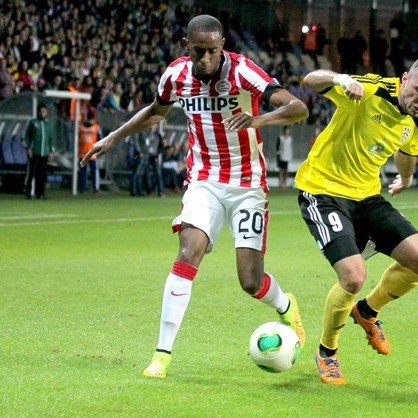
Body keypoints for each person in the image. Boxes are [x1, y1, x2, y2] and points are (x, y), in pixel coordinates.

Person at [80, 14, 308, 379]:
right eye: (199, 51)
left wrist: (256, 120)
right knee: (188, 252)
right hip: (203, 181)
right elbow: (155, 112)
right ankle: (161, 356)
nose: (206, 59)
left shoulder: (242, 71)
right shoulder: (176, 75)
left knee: (250, 281)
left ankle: (285, 304)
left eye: (213, 52)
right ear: (186, 47)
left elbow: (298, 108)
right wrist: (113, 137)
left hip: (248, 185)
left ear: (222, 48)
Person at [296, 54, 418, 384]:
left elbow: (408, 151)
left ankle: (366, 311)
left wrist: (406, 180)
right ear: (405, 78)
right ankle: (328, 351)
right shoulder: (368, 90)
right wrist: (339, 79)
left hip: (366, 197)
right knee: (353, 277)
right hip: (323, 191)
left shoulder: (416, 120)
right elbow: (309, 80)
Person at [24, 103, 53, 200]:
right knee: (31, 173)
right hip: (34, 152)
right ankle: (27, 192)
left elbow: (50, 139)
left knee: (42, 174)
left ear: (46, 112)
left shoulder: (48, 124)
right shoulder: (33, 122)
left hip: (44, 153)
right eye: (40, 111)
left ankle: (40, 193)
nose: (42, 113)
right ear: (38, 112)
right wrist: (28, 148)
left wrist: (50, 151)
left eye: (44, 111)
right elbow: (26, 136)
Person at [78, 111, 102, 193]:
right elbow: (100, 139)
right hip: (91, 153)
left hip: (83, 153)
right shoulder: (96, 127)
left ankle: (83, 188)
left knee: (83, 172)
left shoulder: (80, 127)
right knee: (93, 171)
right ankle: (95, 188)